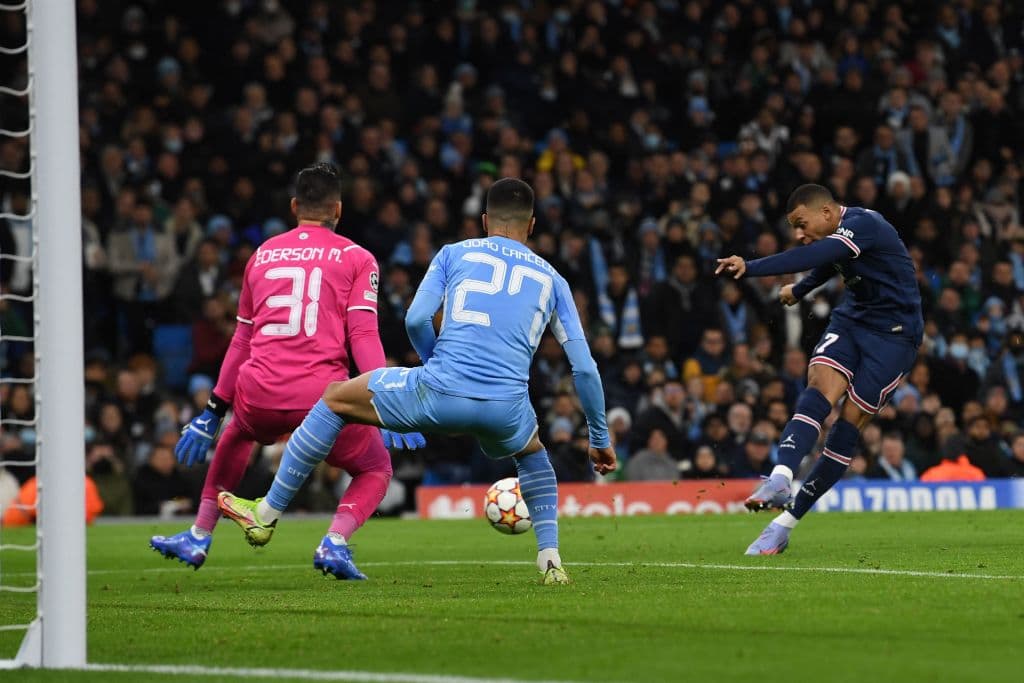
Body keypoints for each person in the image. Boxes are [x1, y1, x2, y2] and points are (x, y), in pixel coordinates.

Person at [217, 178, 617, 584]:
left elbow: (415, 319)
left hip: (438, 391)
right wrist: (599, 438)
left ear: (484, 220)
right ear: (531, 225)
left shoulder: (454, 253)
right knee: (533, 457)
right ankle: (551, 561)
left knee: (335, 398)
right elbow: (584, 368)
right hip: (506, 410)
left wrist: (434, 365)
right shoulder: (553, 279)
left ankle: (266, 513)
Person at [149, 163, 424, 577]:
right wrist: (384, 401)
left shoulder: (261, 255)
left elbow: (241, 340)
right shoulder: (357, 257)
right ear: (339, 209)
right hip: (321, 400)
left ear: (295, 206)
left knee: (237, 432)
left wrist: (213, 410)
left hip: (260, 391)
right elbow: (363, 335)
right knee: (375, 468)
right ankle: (334, 543)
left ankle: (199, 534)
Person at [716, 183, 922, 555]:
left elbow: (821, 254)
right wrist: (800, 290)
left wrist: (750, 267)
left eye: (801, 223)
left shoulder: (865, 225)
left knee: (848, 423)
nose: (798, 234)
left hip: (894, 336)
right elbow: (831, 261)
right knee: (819, 386)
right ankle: (781, 477)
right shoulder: (840, 235)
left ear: (826, 212)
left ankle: (783, 525)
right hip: (853, 320)